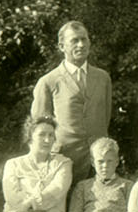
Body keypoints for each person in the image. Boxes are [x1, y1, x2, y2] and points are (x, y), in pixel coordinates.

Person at [30, 21, 112, 182]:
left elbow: (105, 116)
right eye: (74, 40)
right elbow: (40, 126)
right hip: (65, 158)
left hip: (99, 159)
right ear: (61, 46)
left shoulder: (103, 78)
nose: (81, 45)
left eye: (84, 39)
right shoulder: (48, 82)